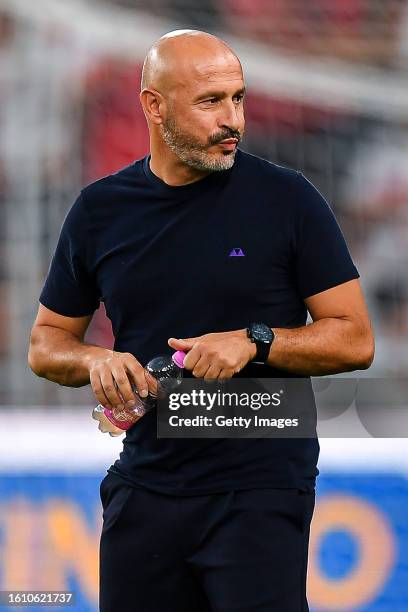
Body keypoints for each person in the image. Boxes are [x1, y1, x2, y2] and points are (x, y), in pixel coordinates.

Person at [28, 29, 374, 612]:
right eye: (210, 102)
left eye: (238, 98)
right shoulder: (99, 210)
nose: (232, 119)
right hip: (147, 482)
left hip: (260, 486)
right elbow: (46, 344)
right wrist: (97, 359)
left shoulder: (288, 200)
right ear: (153, 106)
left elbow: (355, 338)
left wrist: (256, 343)